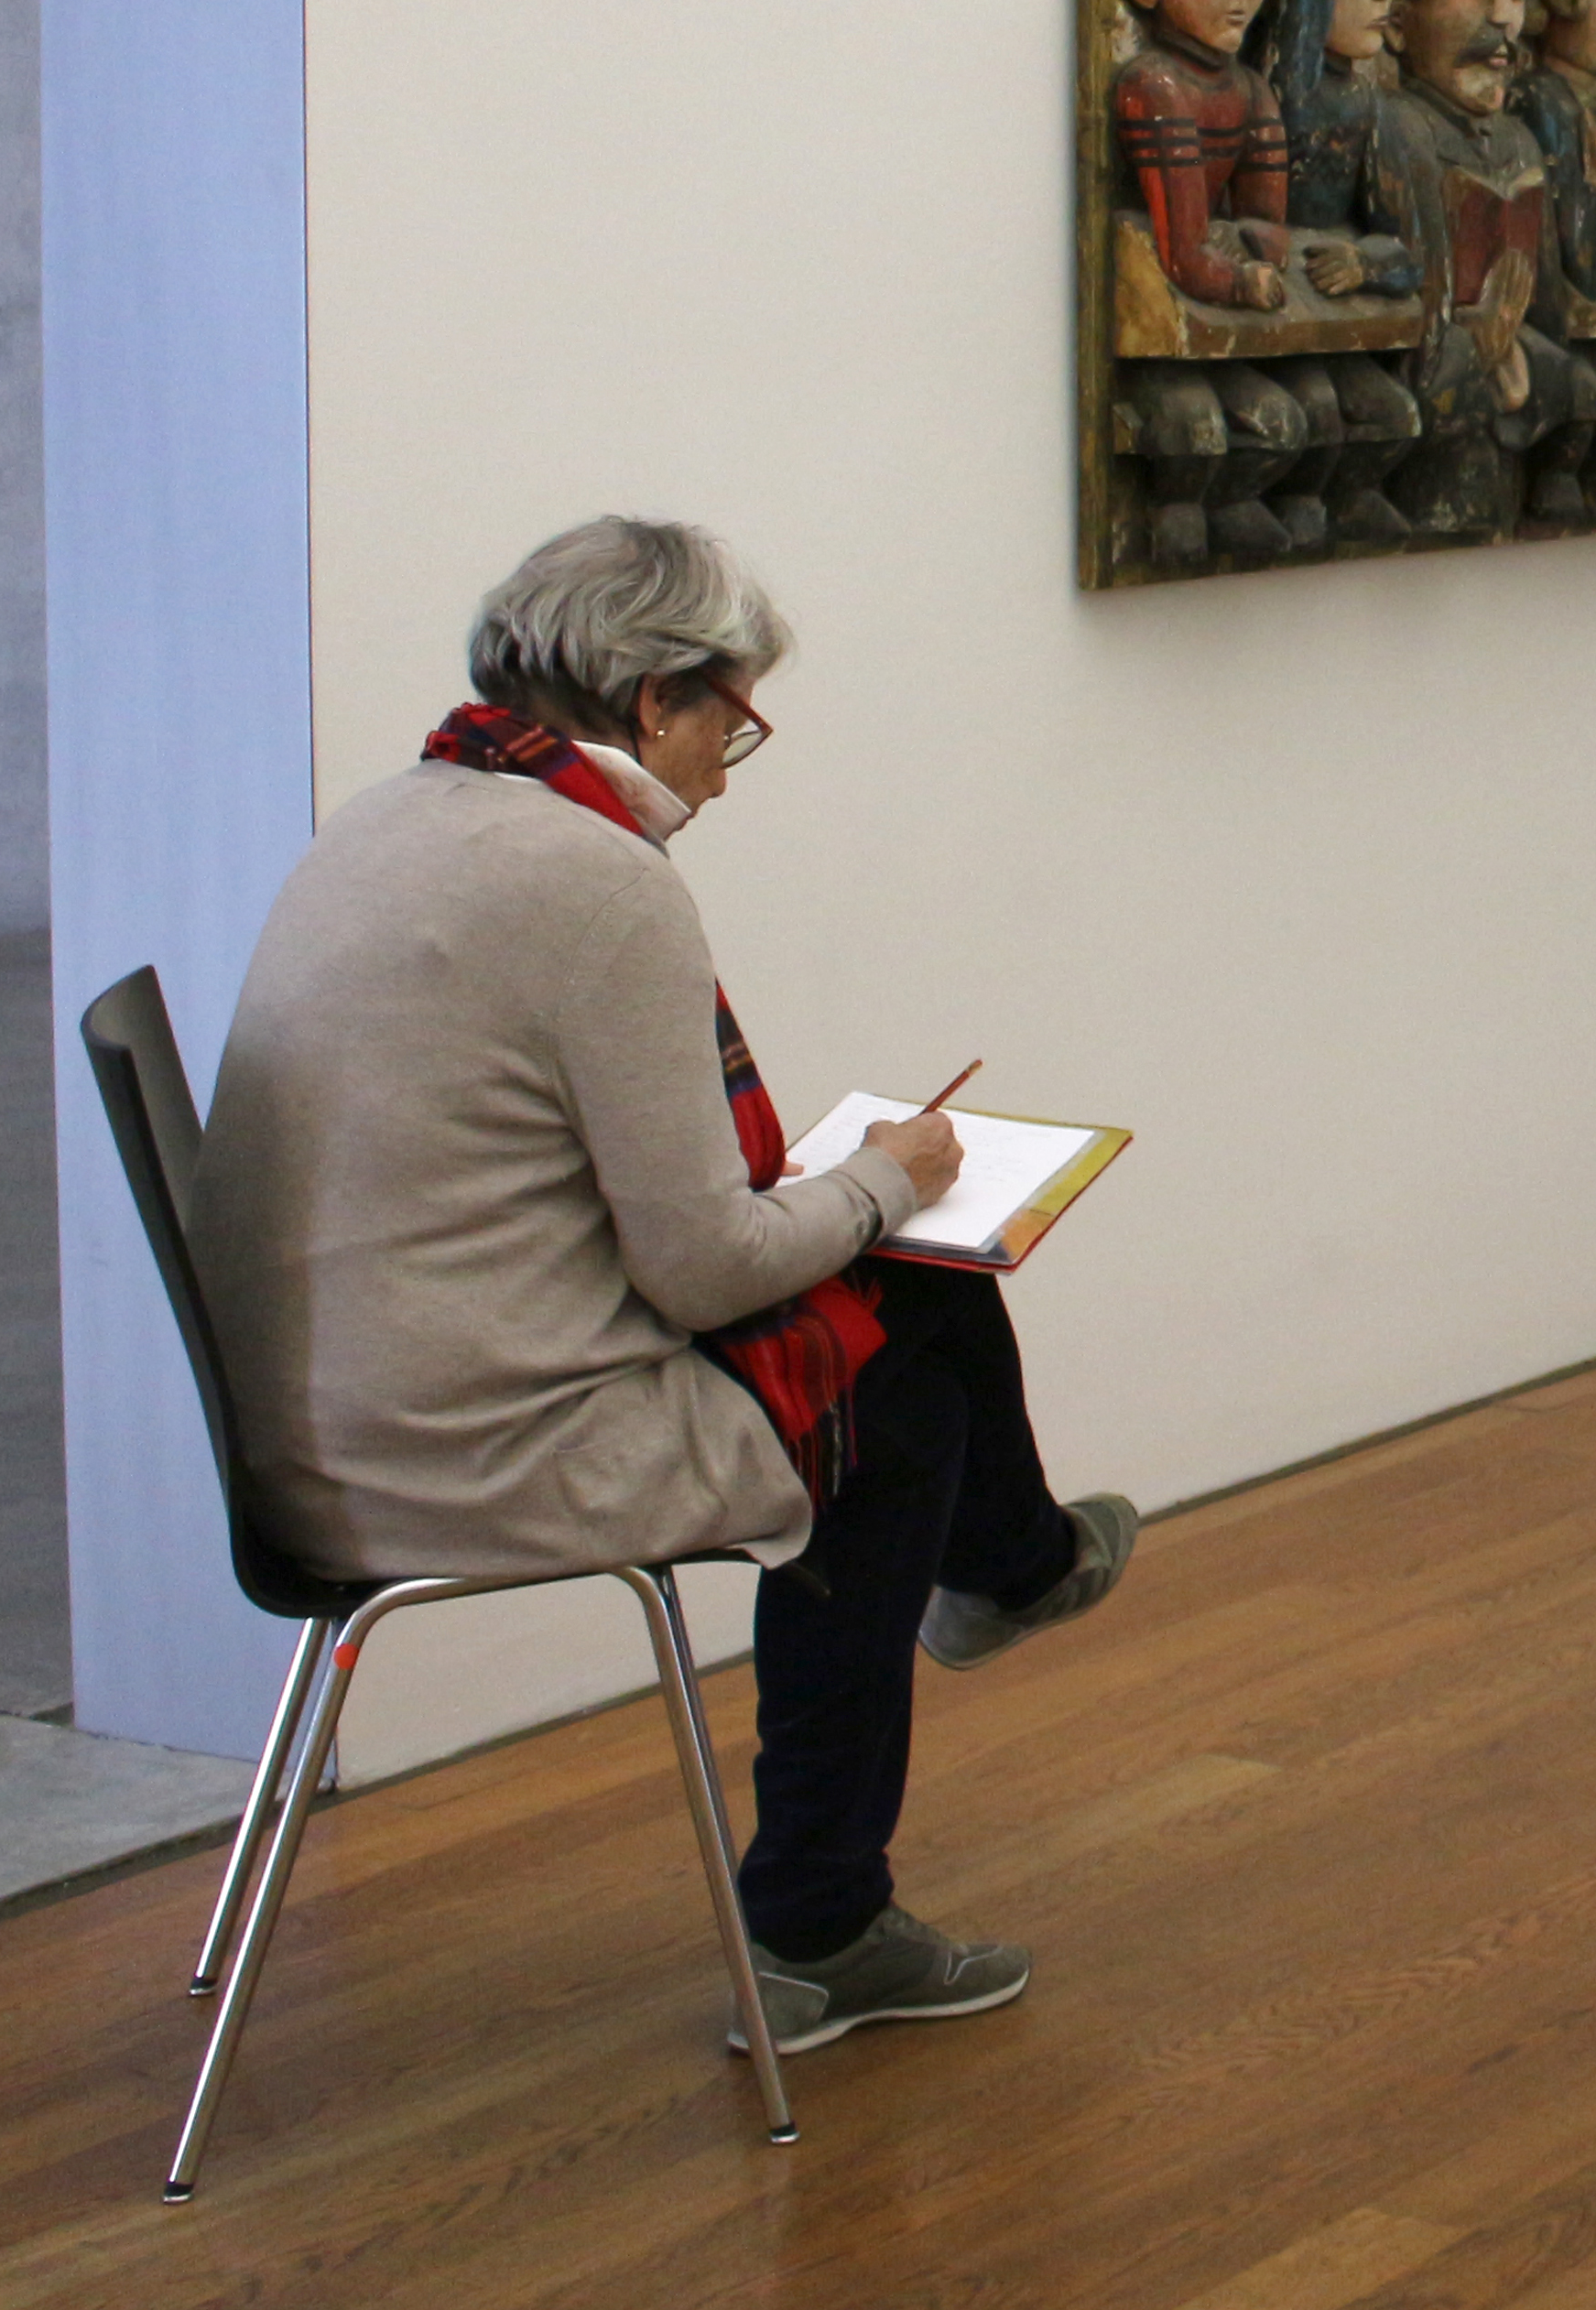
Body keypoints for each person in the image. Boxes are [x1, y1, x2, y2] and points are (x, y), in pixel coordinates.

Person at [196, 518, 1136, 2049]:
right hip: (456, 1446)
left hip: (322, 1416)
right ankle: (821, 1927)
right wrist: (886, 1175)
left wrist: (859, 1200)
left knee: (909, 1294)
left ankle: (1011, 1574)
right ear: (651, 704)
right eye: (731, 722)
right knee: (880, 1417)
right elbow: (700, 1267)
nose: (724, 764)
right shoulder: (596, 880)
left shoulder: (398, 812)